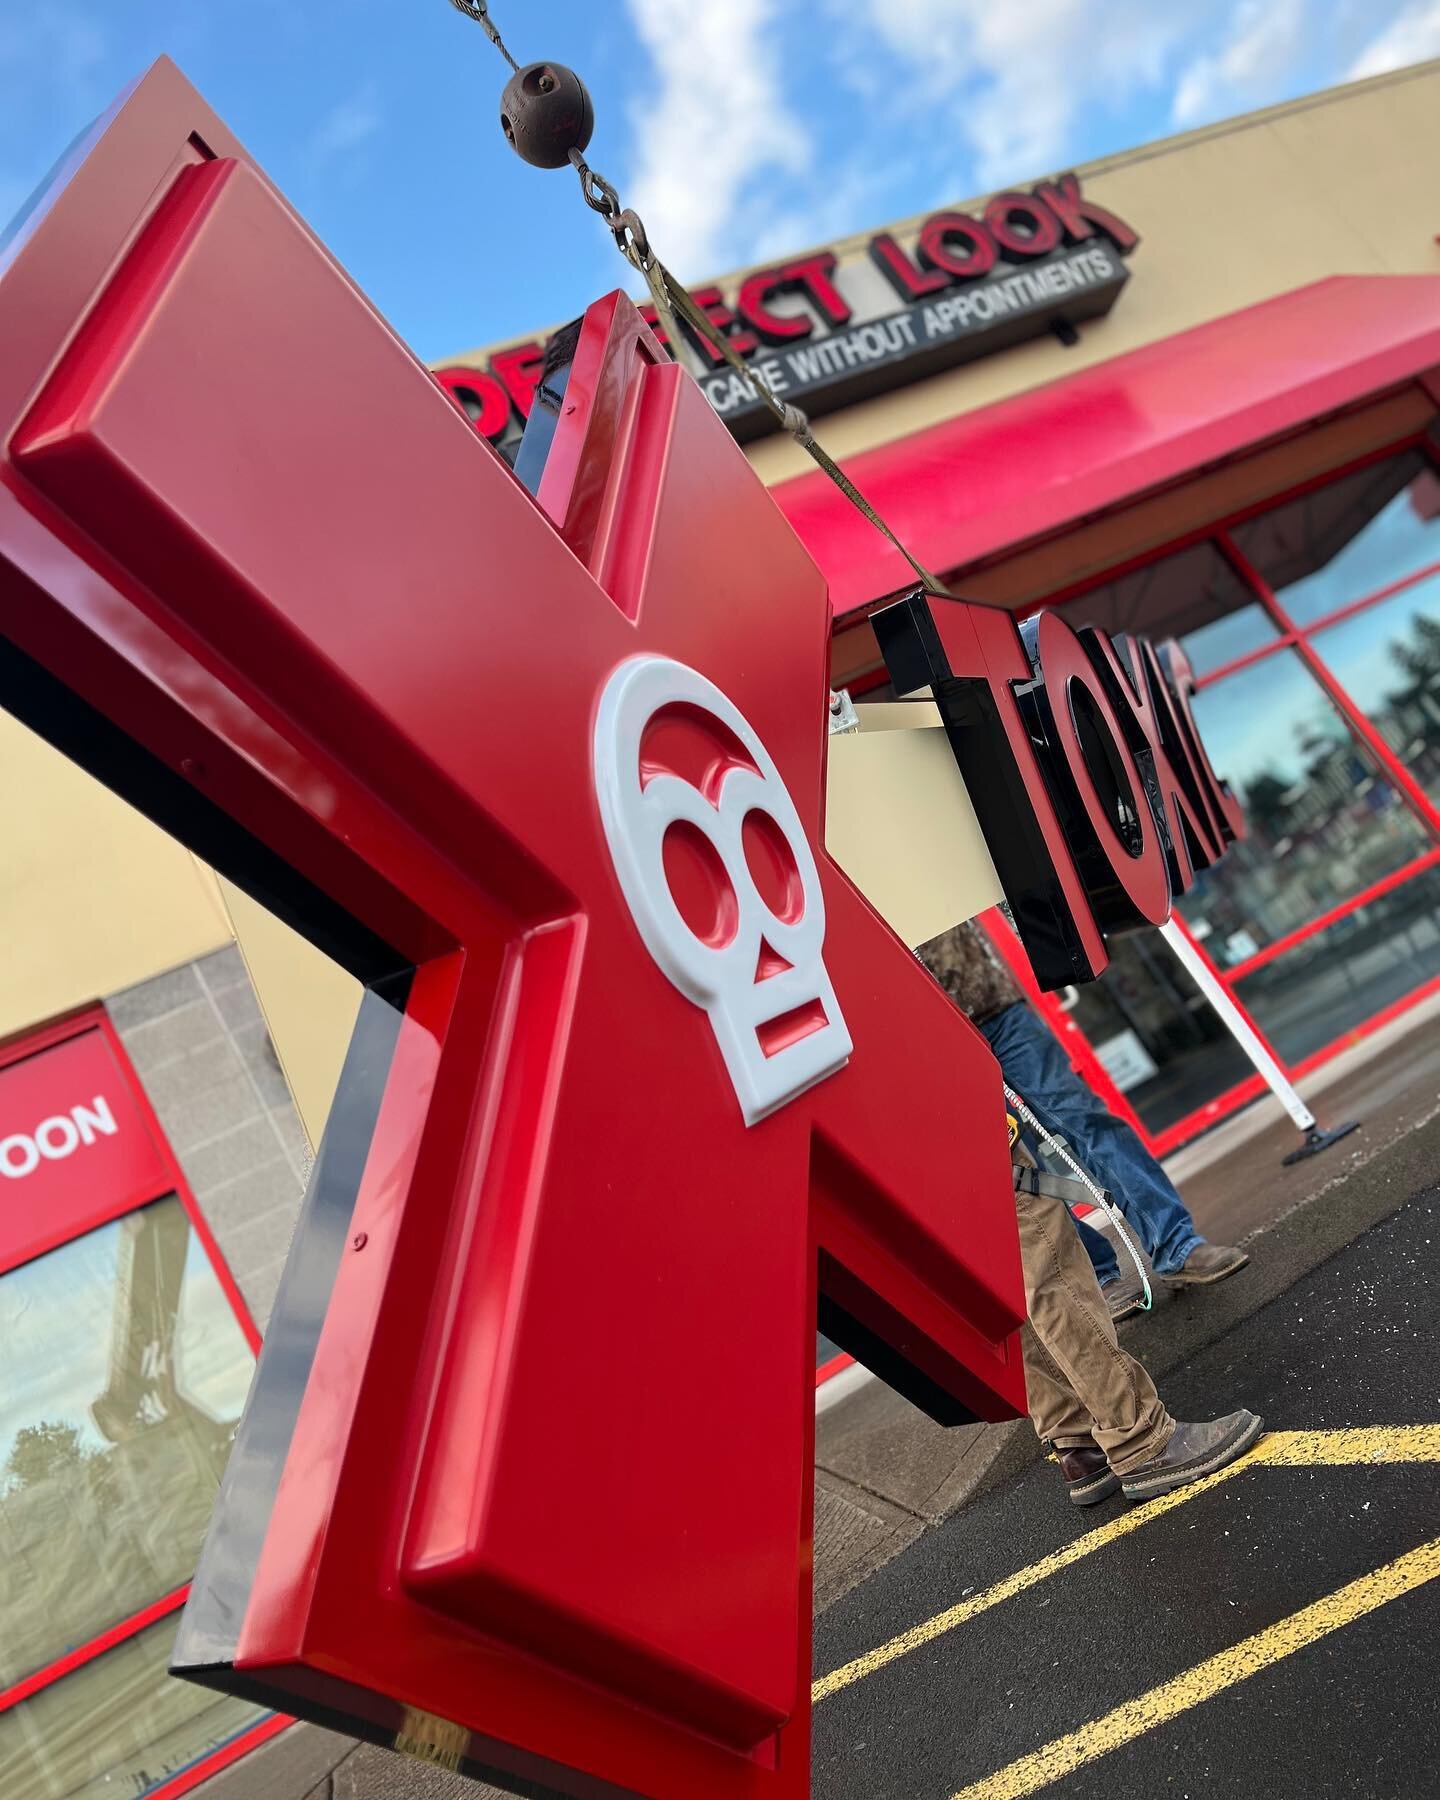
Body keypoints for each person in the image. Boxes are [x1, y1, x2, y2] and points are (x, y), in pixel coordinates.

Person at [917, 920, 1249, 1318]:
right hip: (929, 1034)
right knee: (1021, 1168)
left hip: (990, 1001)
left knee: (1086, 1120)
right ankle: (1099, 1276)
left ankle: (1177, 1246)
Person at [1008, 1125, 1262, 1503]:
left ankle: (1076, 1445)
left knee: (1009, 1273)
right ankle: (1140, 1438)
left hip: (905, 1139)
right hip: (952, 1113)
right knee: (1048, 1265)